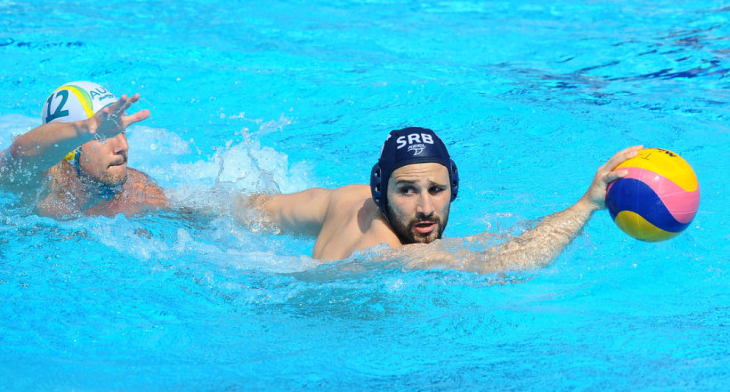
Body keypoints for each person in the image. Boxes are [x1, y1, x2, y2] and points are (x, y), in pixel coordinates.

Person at [243, 127, 642, 272]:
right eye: (407, 190)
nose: (425, 209)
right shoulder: (390, 255)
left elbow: (250, 208)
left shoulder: (345, 199)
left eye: (436, 190)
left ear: (453, 188)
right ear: (381, 191)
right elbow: (505, 263)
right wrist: (586, 205)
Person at [0, 81, 168, 218]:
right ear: (71, 147)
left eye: (122, 131)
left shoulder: (137, 189)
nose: (123, 147)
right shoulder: (39, 186)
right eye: (103, 136)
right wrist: (85, 129)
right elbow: (19, 152)